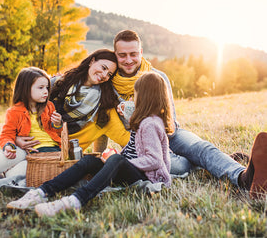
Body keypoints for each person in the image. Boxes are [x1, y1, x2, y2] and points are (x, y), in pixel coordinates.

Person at [111, 30, 267, 199]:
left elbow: (169, 121)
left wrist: (138, 113)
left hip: (170, 133)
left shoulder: (158, 77)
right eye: (122, 55)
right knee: (180, 165)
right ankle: (210, 162)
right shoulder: (109, 85)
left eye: (133, 54)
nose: (128, 60)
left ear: (141, 52)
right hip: (143, 145)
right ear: (115, 55)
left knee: (202, 148)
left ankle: (244, 177)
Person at [7, 72, 173, 216]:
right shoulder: (144, 121)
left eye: (135, 94)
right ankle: (41, 192)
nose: (133, 98)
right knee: (88, 161)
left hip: (148, 178)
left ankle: (75, 201)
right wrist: (114, 158)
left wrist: (118, 162)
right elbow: (132, 150)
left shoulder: (150, 124)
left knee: (115, 161)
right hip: (133, 169)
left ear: (145, 97)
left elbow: (154, 160)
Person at [15, 49, 130, 153]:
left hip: (60, 156)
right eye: (103, 68)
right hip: (30, 143)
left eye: (109, 74)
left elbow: (124, 137)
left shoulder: (103, 108)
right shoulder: (57, 83)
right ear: (92, 61)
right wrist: (16, 138)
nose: (104, 75)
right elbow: (21, 110)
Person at [0, 67, 63, 178]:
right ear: (25, 89)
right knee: (9, 159)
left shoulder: (49, 107)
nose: (46, 91)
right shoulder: (14, 111)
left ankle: (4, 173)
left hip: (51, 152)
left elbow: (58, 133)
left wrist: (58, 124)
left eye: (47, 87)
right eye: (41, 88)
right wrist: (8, 145)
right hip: (26, 152)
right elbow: (7, 134)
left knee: (16, 176)